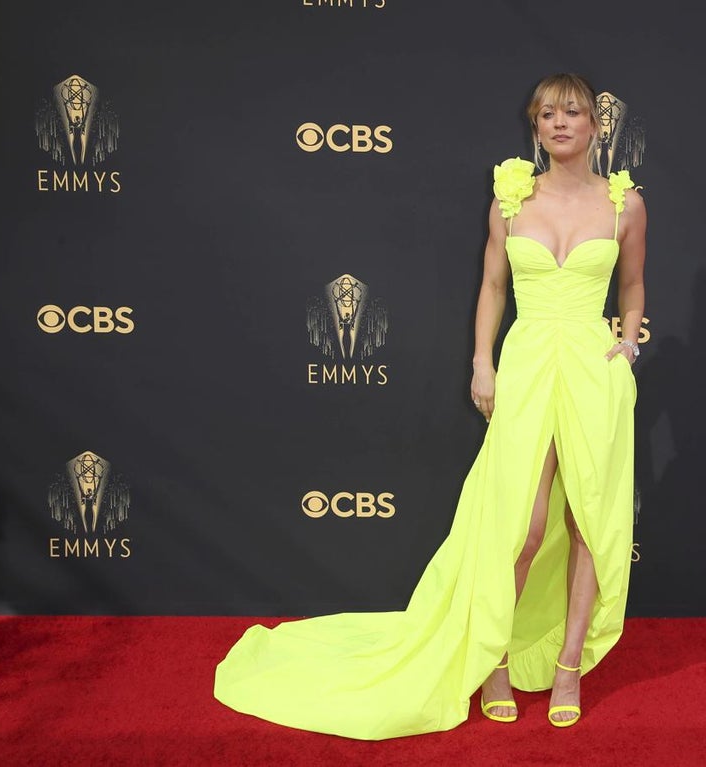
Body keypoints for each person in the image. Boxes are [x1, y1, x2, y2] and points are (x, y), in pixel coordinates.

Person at [213, 72, 646, 739]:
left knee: (591, 521)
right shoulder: (510, 199)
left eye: (574, 113)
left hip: (594, 369)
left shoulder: (625, 204)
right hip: (527, 365)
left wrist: (628, 343)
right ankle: (495, 656)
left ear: (596, 125)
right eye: (548, 115)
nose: (560, 124)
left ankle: (567, 666)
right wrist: (483, 362)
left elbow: (635, 283)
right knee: (522, 527)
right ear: (536, 127)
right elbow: (493, 287)